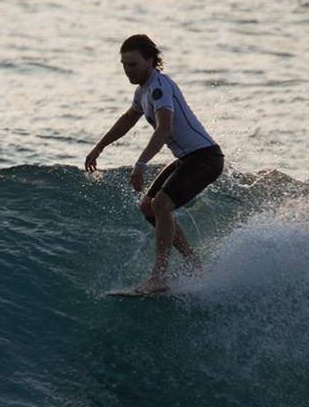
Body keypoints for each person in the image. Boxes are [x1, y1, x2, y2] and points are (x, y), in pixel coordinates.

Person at [85, 35, 224, 294]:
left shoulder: (160, 87)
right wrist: (100, 146)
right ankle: (195, 264)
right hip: (188, 158)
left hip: (205, 157)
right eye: (124, 65)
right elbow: (127, 119)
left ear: (150, 61)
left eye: (133, 64)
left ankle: (159, 276)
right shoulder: (142, 91)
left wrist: (141, 164)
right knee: (149, 207)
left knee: (161, 204)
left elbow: (165, 128)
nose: (127, 71)